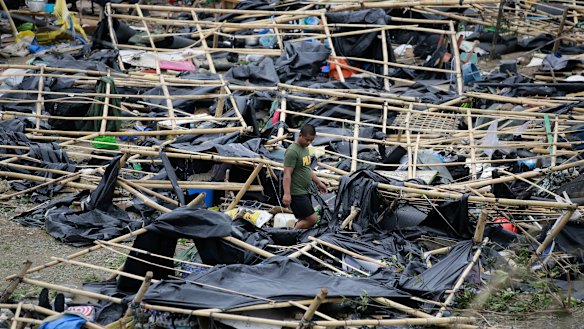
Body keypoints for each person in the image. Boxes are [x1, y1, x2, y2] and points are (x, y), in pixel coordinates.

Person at [282, 124, 327, 229]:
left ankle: (298, 237)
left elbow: (307, 169)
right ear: (300, 135)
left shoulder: (305, 149)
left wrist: (318, 182)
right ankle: (291, 234)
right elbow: (287, 174)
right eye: (307, 140)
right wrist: (287, 194)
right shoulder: (292, 151)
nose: (309, 143)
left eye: (311, 140)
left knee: (304, 219)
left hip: (305, 191)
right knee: (313, 219)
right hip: (296, 193)